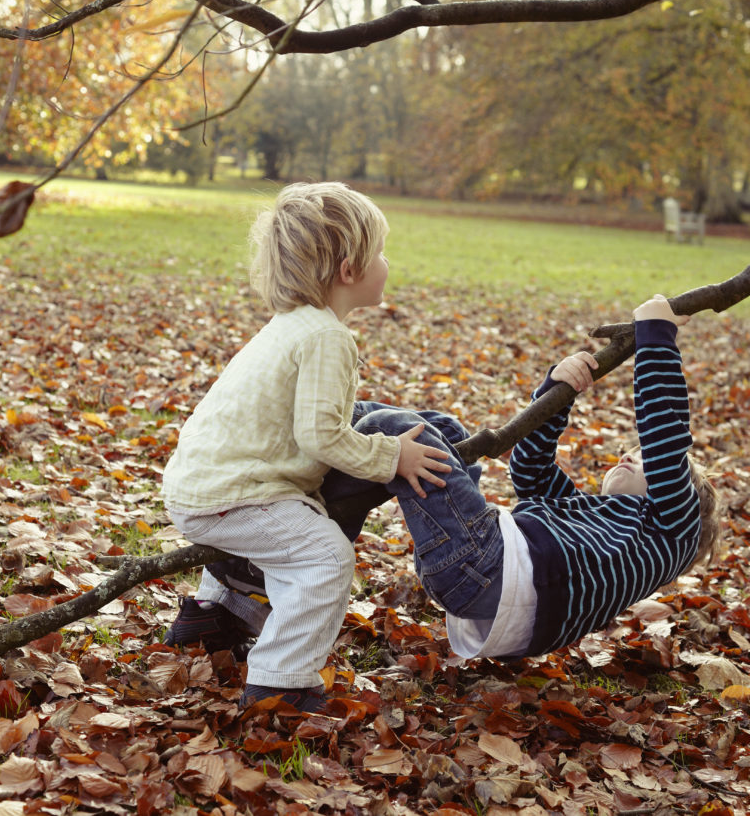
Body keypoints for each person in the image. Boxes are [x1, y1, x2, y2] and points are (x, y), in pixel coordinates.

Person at [175, 293, 720, 667]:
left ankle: (261, 548)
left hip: (491, 572)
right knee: (439, 431)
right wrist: (555, 397)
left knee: (386, 429)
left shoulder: (669, 526)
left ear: (682, 498)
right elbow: (529, 471)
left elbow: (667, 434)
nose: (630, 454)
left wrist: (656, 335)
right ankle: (243, 587)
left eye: (643, 460)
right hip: (491, 585)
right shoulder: (595, 520)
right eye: (629, 451)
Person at [159, 181, 452, 712]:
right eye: (380, 252)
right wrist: (392, 457)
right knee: (324, 556)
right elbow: (321, 436)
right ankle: (281, 681)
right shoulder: (326, 336)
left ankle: (211, 612)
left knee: (296, 526)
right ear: (348, 270)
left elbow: (307, 430)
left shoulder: (294, 326)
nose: (387, 263)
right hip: (235, 491)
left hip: (206, 483)